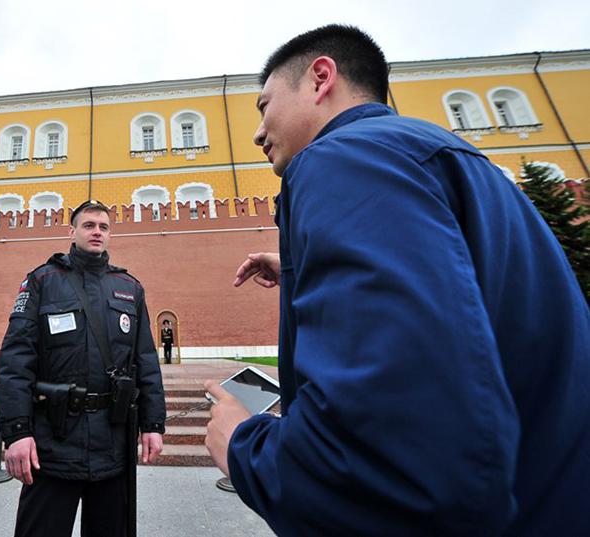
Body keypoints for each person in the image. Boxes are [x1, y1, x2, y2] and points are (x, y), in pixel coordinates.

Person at [204, 24, 590, 537]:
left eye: (264, 105)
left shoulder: (344, 159)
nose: (258, 132)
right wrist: (302, 264)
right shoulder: (439, 155)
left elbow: (390, 459)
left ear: (321, 78)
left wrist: (243, 445)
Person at [0, 200, 166, 537]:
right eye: (89, 225)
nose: (97, 232)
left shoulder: (130, 288)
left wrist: (153, 423)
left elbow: (145, 360)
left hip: (113, 443)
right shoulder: (42, 281)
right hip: (53, 442)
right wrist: (16, 432)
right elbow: (16, 359)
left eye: (103, 227)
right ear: (71, 232)